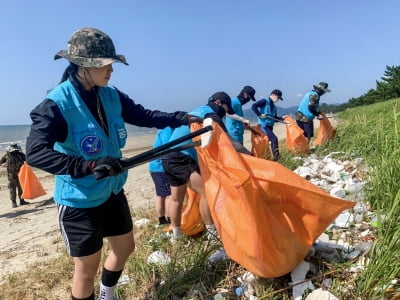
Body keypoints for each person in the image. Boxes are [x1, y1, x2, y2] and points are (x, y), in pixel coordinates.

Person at [25, 27, 189, 300]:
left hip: (112, 190)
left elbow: (144, 115)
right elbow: (36, 153)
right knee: (86, 270)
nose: (111, 69)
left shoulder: (110, 95)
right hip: (79, 200)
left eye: (112, 63)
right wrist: (88, 166)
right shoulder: (55, 104)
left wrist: (183, 117)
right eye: (104, 64)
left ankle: (107, 294)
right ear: (82, 66)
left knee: (124, 248)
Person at [162, 92, 250, 242]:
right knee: (208, 192)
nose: (224, 113)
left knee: (176, 199)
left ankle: (176, 237)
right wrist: (250, 156)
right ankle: (212, 235)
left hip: (169, 157)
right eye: (226, 108)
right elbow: (230, 142)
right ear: (218, 102)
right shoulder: (210, 114)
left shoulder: (196, 111)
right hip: (182, 158)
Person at [148, 127, 173, 226]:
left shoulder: (165, 129)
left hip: (156, 167)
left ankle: (162, 219)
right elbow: (169, 147)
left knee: (161, 194)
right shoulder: (167, 130)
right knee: (170, 194)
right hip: (160, 168)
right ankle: (170, 219)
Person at [252, 89, 284, 161]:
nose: (278, 100)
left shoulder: (274, 107)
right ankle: (276, 158)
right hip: (263, 126)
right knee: (274, 139)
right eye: (278, 98)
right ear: (273, 95)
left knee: (269, 141)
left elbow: (275, 118)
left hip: (270, 126)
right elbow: (254, 106)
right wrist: (259, 114)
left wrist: (282, 118)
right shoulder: (265, 101)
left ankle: (268, 157)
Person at [0, 143, 28, 208]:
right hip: (11, 176)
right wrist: (2, 165)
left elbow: (28, 159)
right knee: (12, 189)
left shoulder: (21, 155)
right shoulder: (6, 156)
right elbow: (0, 163)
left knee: (21, 188)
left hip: (21, 175)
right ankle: (14, 202)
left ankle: (22, 201)